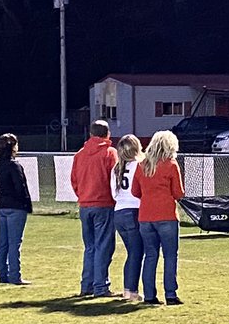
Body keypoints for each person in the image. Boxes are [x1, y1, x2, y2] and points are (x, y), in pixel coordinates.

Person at [130, 131, 185, 305]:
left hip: (146, 216)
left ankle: (149, 295)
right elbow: (178, 193)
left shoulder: (142, 165)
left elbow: (135, 191)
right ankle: (170, 294)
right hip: (166, 215)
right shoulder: (170, 165)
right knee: (170, 256)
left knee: (150, 256)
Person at [70, 120, 119, 297]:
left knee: (90, 247)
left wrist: (83, 195)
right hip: (104, 204)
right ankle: (100, 286)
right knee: (103, 246)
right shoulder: (110, 153)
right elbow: (115, 179)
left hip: (85, 205)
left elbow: (74, 180)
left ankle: (87, 285)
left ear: (90, 134)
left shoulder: (80, 154)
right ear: (108, 134)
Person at [0, 133, 33, 285]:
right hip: (15, 206)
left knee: (3, 241)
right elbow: (20, 187)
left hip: (2, 204)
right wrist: (26, 204)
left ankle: (3, 274)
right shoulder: (14, 165)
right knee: (14, 242)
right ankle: (15, 275)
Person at [111, 134, 145, 301]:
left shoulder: (116, 168)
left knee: (132, 252)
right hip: (133, 211)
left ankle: (128, 289)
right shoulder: (139, 165)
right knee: (136, 253)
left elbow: (113, 194)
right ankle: (131, 291)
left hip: (119, 212)